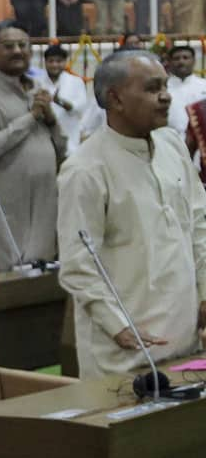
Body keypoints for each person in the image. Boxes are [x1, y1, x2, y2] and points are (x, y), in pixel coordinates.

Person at [58, 50, 206, 379]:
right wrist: (119, 327)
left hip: (186, 341)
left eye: (165, 86)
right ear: (116, 99)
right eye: (153, 89)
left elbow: (200, 225)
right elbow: (78, 266)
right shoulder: (85, 170)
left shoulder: (172, 146)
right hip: (124, 354)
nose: (166, 97)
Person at [0, 21, 66, 270]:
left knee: (43, 280)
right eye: (9, 46)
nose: (18, 50)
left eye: (23, 45)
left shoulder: (34, 87)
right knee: (11, 285)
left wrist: (49, 118)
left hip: (43, 204)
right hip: (5, 207)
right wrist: (31, 117)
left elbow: (61, 147)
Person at [36, 44, 89, 155]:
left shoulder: (76, 82)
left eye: (59, 61)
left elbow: (80, 109)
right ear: (45, 62)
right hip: (42, 146)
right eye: (51, 61)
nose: (55, 65)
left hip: (70, 145)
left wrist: (59, 101)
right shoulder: (36, 82)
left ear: (65, 62)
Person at [165, 45, 206, 134]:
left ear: (194, 61)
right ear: (169, 62)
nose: (181, 61)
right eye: (176, 58)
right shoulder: (163, 88)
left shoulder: (204, 85)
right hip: (169, 142)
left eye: (185, 57)